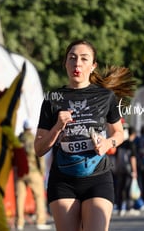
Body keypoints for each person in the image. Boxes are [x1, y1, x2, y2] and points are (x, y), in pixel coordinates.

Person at [34, 40, 136, 231]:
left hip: (97, 178)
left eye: (83, 59)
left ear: (93, 66)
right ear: (65, 63)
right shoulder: (52, 99)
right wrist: (57, 126)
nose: (77, 64)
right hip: (63, 180)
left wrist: (107, 143)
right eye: (72, 58)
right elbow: (39, 149)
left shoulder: (106, 97)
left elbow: (119, 133)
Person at [15, 120, 51, 230]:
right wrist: (42, 171)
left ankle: (19, 223)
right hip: (33, 171)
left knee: (20, 197)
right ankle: (40, 221)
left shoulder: (18, 139)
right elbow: (39, 155)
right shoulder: (33, 139)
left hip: (20, 172)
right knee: (39, 196)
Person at [113, 126, 139, 216]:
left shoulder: (120, 143)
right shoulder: (131, 144)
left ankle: (120, 208)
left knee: (120, 189)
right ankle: (129, 207)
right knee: (128, 188)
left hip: (120, 169)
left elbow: (116, 157)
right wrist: (134, 171)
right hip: (128, 170)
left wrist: (116, 168)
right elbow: (133, 158)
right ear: (134, 134)